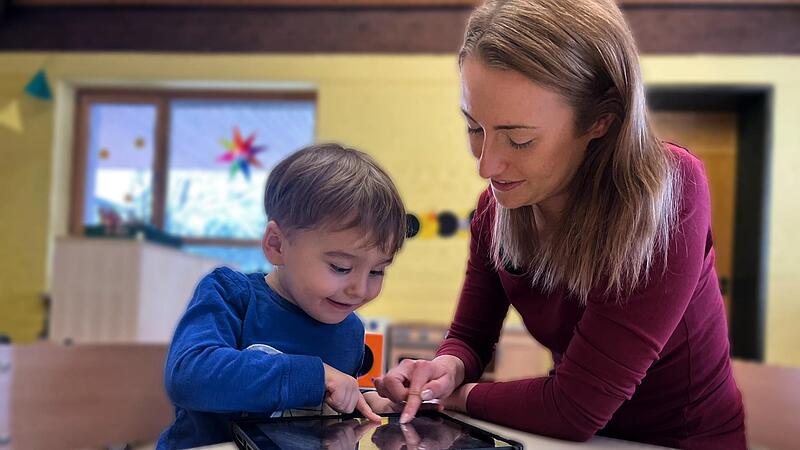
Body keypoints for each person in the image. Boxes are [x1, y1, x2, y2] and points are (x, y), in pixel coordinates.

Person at [373, 1, 746, 448]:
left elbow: (574, 408)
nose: (487, 166)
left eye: (521, 140)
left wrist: (450, 398)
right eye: (474, 128)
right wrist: (443, 370)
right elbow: (470, 338)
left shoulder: (670, 191)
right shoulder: (495, 212)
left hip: (683, 442)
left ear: (600, 122)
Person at [157, 143, 407, 449]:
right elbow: (189, 376)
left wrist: (366, 400)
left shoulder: (349, 329)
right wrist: (315, 376)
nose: (359, 289)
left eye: (377, 272)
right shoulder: (230, 295)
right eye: (341, 267)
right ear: (277, 245)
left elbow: (325, 406)